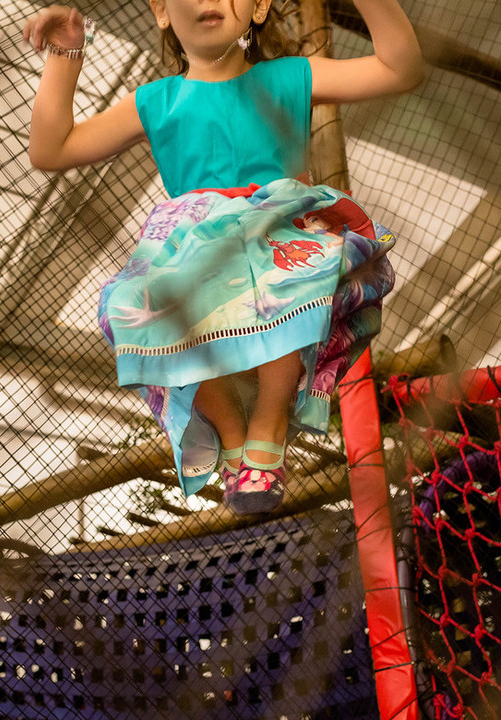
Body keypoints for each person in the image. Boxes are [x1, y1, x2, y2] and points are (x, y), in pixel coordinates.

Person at [24, 0, 423, 515]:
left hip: (276, 229)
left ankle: (269, 421)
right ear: (163, 12)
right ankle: (233, 433)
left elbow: (401, 68)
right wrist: (65, 53)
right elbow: (50, 151)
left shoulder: (288, 78)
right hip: (197, 248)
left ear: (258, 8)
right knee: (134, 301)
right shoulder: (156, 100)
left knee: (287, 276)